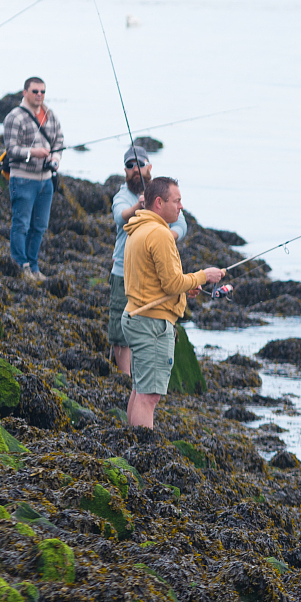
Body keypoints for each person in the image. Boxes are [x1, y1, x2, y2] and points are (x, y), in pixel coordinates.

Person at [121, 176, 224, 429]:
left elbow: (155, 280)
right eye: (176, 201)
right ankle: (142, 455)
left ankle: (132, 446)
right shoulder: (159, 234)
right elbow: (171, 283)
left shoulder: (139, 227)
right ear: (159, 202)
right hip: (151, 323)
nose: (181, 207)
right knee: (149, 396)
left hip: (137, 316)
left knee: (140, 389)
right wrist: (203, 276)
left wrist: (186, 287)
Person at [108, 142, 186, 373]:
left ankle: (144, 373)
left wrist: (164, 236)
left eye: (139, 164)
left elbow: (181, 224)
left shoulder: (160, 194)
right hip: (123, 270)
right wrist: (138, 206)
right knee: (120, 326)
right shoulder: (122, 196)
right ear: (125, 170)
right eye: (129, 165)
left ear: (149, 166)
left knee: (152, 323)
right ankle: (125, 375)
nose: (135, 169)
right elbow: (121, 217)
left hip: (153, 274)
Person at [1, 76, 62, 282]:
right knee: (21, 224)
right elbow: (11, 149)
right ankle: (21, 266)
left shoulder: (50, 115)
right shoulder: (14, 117)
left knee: (40, 226)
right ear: (24, 92)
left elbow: (59, 140)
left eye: (43, 91)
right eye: (35, 91)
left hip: (46, 180)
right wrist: (33, 152)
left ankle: (34, 267)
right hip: (23, 179)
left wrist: (55, 158)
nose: (39, 95)